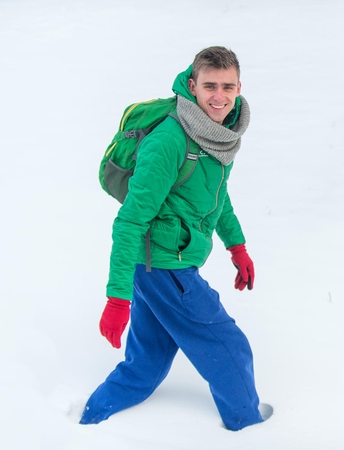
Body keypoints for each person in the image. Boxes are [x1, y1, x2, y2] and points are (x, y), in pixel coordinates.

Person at [80, 46, 271, 431]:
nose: (219, 96)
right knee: (228, 347)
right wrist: (117, 298)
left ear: (239, 87)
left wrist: (237, 246)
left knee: (148, 358)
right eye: (209, 86)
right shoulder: (169, 140)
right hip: (165, 265)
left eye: (227, 86)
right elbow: (130, 222)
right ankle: (248, 425)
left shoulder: (217, 134)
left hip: (158, 262)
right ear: (191, 85)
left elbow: (216, 194)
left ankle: (89, 418)